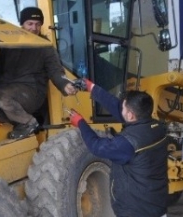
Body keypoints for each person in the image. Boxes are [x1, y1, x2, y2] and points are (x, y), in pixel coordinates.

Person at [69, 80, 168, 217]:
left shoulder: (127, 143)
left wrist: (80, 123)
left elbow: (97, 146)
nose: (120, 109)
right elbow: (116, 107)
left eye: (123, 108)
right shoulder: (158, 128)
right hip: (156, 206)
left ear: (131, 115)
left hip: (136, 211)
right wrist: (92, 88)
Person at [0, 6, 77, 139]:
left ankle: (30, 122)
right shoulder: (11, 44)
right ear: (22, 24)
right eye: (30, 24)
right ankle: (20, 122)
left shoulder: (44, 46)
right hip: (9, 90)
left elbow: (55, 70)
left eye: (37, 24)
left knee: (2, 98)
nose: (34, 28)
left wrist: (64, 84)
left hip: (32, 92)